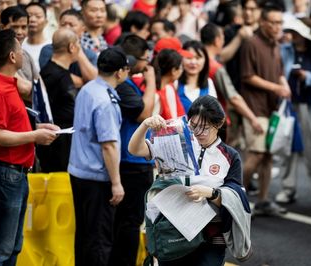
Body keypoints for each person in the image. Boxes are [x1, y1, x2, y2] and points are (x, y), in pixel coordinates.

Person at [128, 95, 252, 265]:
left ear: (220, 123)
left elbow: (236, 196)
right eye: (193, 126)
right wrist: (145, 125)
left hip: (211, 236)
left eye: (205, 127)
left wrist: (210, 193)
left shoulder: (230, 156)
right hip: (172, 231)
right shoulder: (177, 141)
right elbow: (134, 149)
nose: (198, 133)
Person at [0, 29, 58, 265]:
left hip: (15, 174)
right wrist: (34, 135)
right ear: (12, 57)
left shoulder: (8, 85)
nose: (23, 53)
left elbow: (11, 126)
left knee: (12, 246)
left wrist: (38, 127)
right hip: (5, 174)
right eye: (18, 49)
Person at [68, 47, 132, 265]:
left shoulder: (87, 89)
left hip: (78, 172)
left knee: (84, 235)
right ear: (120, 72)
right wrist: (116, 183)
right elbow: (109, 146)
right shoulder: (106, 101)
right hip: (97, 178)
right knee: (99, 239)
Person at [108, 34, 156, 266]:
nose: (146, 65)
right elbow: (144, 113)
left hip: (131, 161)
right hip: (132, 163)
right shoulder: (124, 86)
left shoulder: (126, 84)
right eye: (144, 60)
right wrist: (153, 80)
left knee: (127, 221)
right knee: (129, 221)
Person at [240, 3, 290, 215]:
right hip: (255, 107)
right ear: (263, 22)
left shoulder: (275, 44)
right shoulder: (251, 43)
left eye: (280, 23)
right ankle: (235, 196)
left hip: (272, 108)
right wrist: (276, 87)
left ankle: (263, 200)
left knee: (268, 155)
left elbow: (278, 72)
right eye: (273, 22)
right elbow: (247, 76)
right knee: (256, 154)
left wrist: (283, 83)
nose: (278, 27)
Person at [276, 17, 311, 205]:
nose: (294, 35)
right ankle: (287, 188)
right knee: (286, 146)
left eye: (297, 32)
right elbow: (279, 71)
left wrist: (307, 77)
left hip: (308, 105)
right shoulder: (284, 49)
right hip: (288, 104)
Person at [201, 23, 263, 144]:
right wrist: (253, 119)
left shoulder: (196, 63)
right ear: (217, 40)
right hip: (215, 123)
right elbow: (234, 98)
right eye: (223, 38)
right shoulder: (215, 68)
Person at [37, 28, 80, 172]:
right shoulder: (51, 75)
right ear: (72, 47)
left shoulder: (62, 72)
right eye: (78, 43)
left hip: (66, 144)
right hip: (55, 148)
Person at [39, 9, 98, 89]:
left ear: (83, 30)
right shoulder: (48, 50)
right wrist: (86, 82)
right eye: (63, 24)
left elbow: (94, 80)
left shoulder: (90, 55)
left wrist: (77, 48)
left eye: (71, 25)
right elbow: (54, 76)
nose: (67, 28)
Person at [1, 5, 36, 103]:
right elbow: (23, 89)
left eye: (24, 27)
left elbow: (40, 86)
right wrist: (36, 94)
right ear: (3, 27)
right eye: (14, 27)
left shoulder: (26, 55)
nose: (19, 32)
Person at [177, 40, 217, 112]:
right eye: (189, 58)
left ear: (205, 60)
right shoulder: (175, 83)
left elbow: (214, 113)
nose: (193, 62)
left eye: (198, 58)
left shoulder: (209, 83)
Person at [152, 48, 185, 119]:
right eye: (181, 67)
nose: (182, 71)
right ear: (173, 71)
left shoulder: (169, 88)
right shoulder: (155, 95)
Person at [22, 2, 51, 73]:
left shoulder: (51, 46)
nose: (32, 20)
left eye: (38, 16)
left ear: (46, 21)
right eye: (29, 16)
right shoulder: (18, 45)